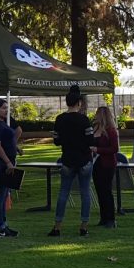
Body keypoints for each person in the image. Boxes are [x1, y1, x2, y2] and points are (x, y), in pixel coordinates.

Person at [49, 85, 95, 237]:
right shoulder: (84, 120)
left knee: (63, 192)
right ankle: (84, 225)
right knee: (85, 193)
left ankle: (57, 226)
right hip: (84, 160)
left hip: (67, 159)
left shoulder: (60, 119)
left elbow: (56, 141)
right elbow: (90, 140)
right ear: (79, 103)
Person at [0, 99, 19, 237]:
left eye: (7, 108)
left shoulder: (3, 124)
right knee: (0, 195)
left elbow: (8, 140)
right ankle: (0, 228)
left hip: (7, 161)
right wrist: (7, 162)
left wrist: (16, 148)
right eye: (3, 108)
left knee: (5, 194)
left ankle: (4, 225)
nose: (6, 110)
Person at [91, 106, 119, 228]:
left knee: (107, 191)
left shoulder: (111, 131)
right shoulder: (95, 129)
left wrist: (98, 149)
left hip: (107, 164)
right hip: (96, 164)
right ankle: (103, 217)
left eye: (97, 114)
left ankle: (111, 219)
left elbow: (114, 148)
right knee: (100, 191)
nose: (95, 116)